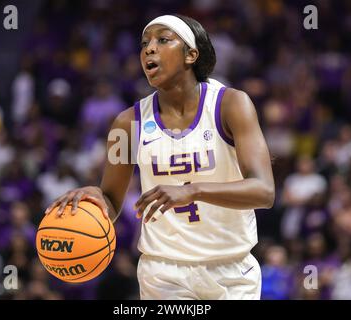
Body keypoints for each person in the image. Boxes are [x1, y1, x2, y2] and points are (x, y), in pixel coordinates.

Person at [45, 14, 274, 300]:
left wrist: (191, 191)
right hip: (164, 274)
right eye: (144, 44)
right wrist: (96, 198)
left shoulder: (232, 104)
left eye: (163, 40)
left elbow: (264, 191)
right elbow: (112, 200)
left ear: (191, 54)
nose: (149, 49)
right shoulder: (127, 124)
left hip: (232, 270)